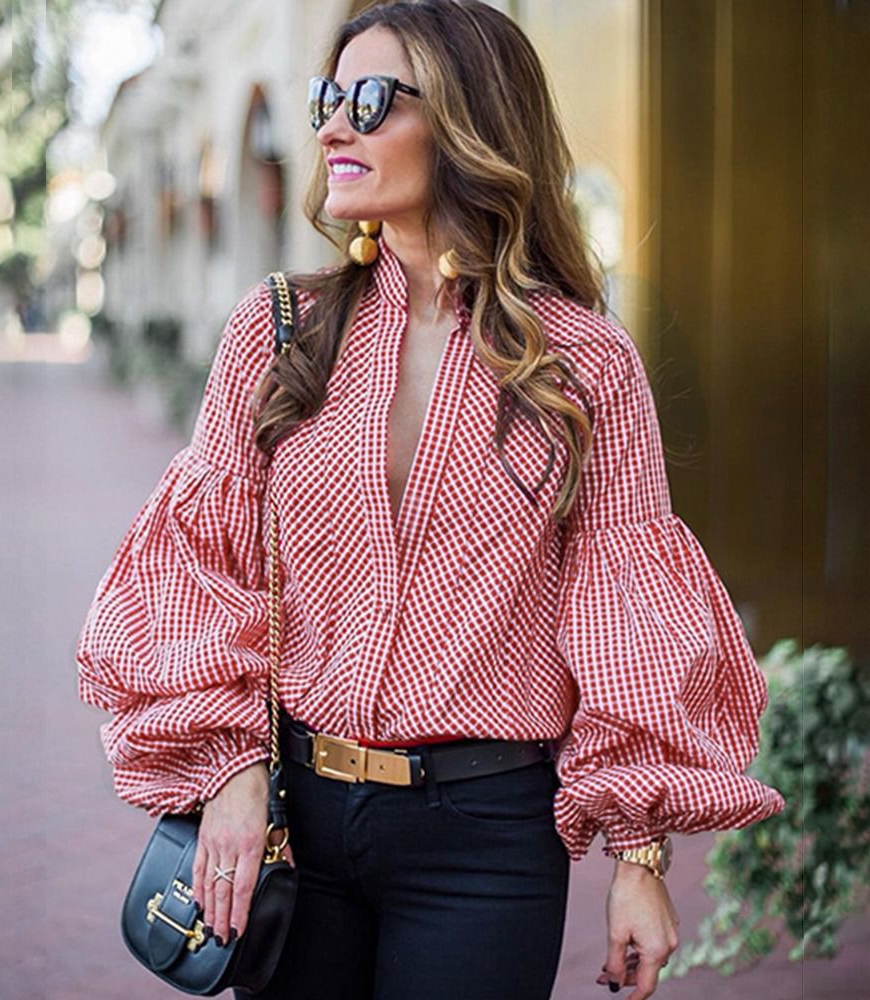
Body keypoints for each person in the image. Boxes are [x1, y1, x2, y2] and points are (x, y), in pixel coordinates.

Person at [75, 2, 785, 998]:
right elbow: (201, 568)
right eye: (328, 99)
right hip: (296, 817)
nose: (334, 127)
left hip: (487, 840)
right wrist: (230, 770)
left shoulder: (582, 363)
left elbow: (623, 616)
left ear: (469, 120)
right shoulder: (277, 333)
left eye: (370, 100)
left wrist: (638, 855)